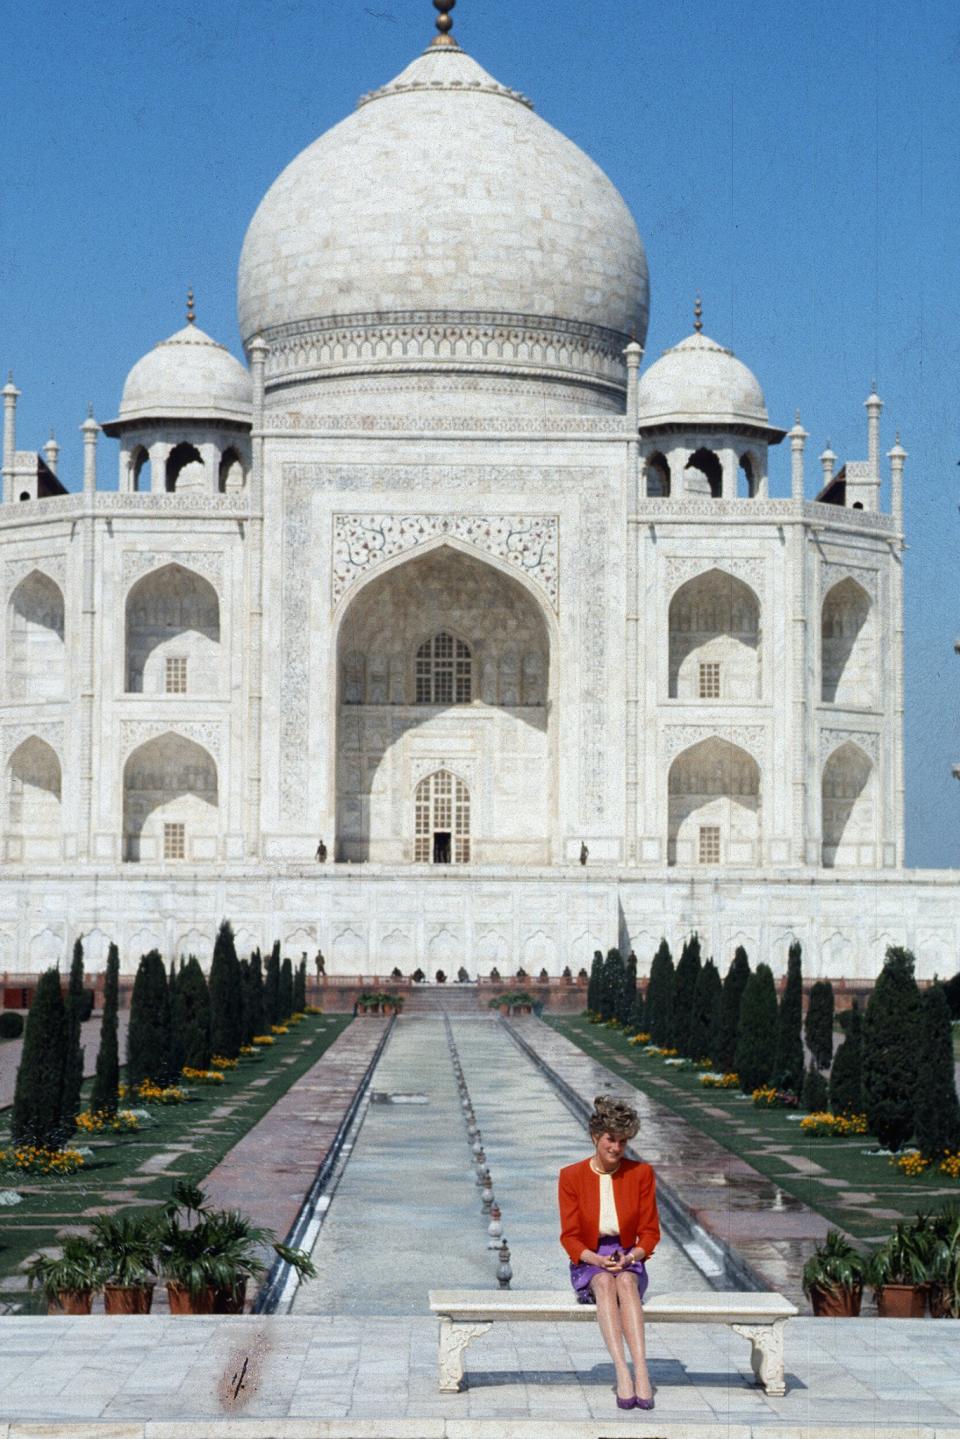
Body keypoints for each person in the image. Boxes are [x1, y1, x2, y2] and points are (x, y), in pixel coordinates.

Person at [558, 1095, 659, 1411]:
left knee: (626, 1283)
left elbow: (651, 1233)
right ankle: (621, 1372)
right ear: (595, 1137)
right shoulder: (571, 1176)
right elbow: (570, 1237)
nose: (616, 1148)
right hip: (590, 1259)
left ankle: (641, 1370)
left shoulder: (641, 1174)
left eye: (623, 1142)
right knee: (603, 1283)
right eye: (610, 1140)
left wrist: (631, 1258)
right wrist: (596, 1259)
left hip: (628, 1256)